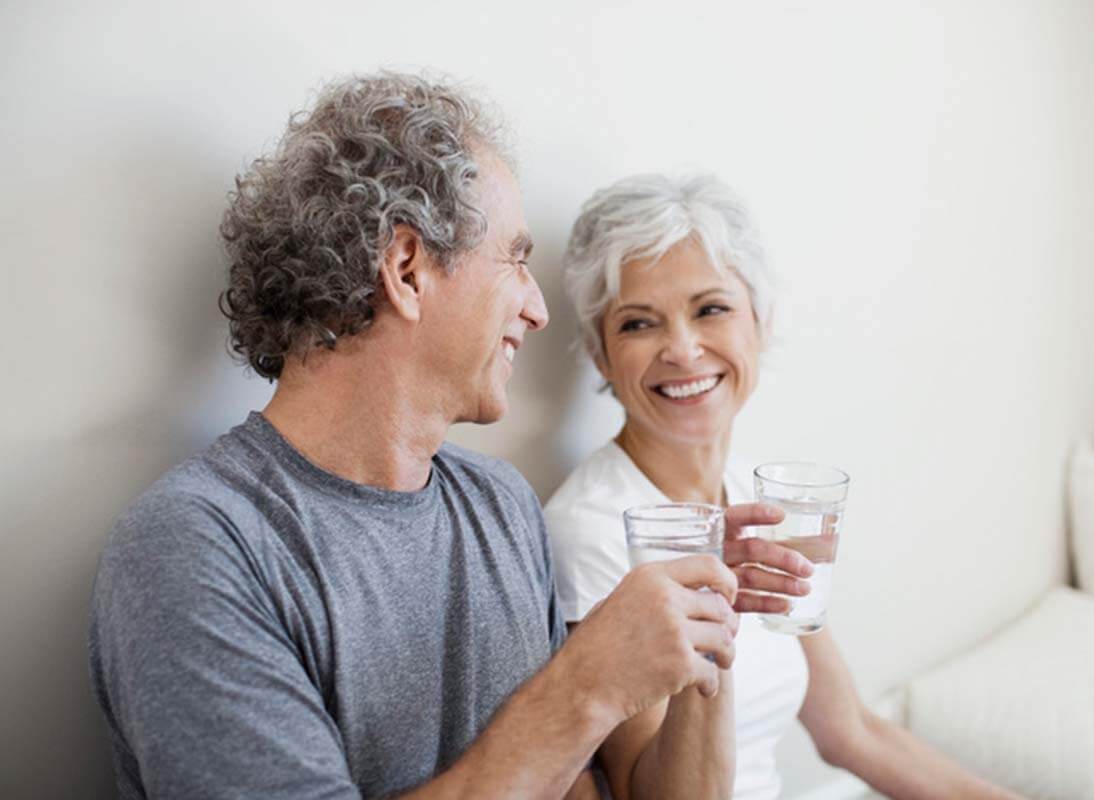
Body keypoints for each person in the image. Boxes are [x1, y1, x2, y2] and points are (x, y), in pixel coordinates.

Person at [87, 73, 800, 800]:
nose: (537, 310)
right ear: (406, 268)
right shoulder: (196, 547)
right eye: (516, 260)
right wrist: (585, 685)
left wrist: (708, 625)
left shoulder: (500, 506)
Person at [545, 173, 1023, 800]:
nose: (684, 350)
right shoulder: (595, 531)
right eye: (639, 324)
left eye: (710, 309)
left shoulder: (753, 497)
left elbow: (850, 731)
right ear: (602, 357)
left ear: (760, 324)